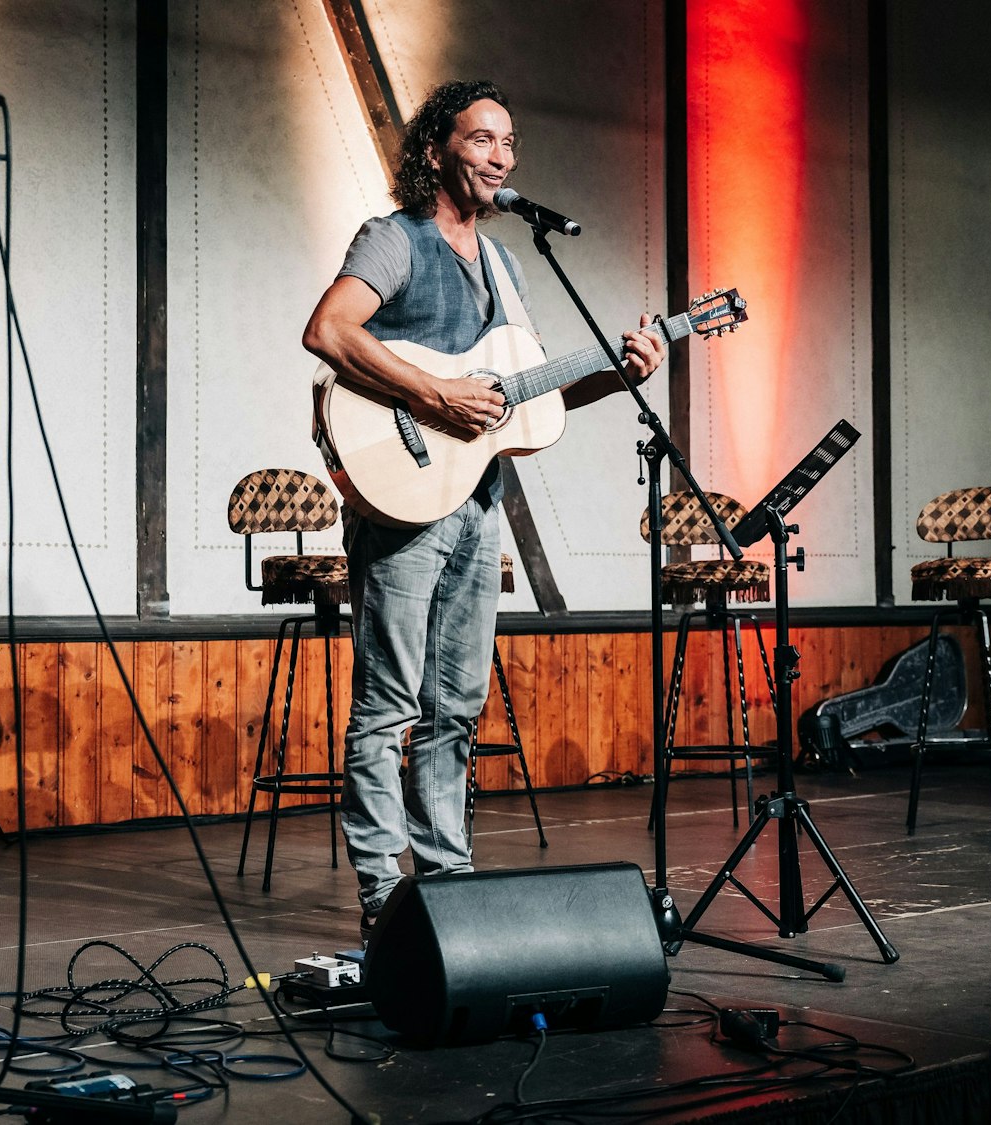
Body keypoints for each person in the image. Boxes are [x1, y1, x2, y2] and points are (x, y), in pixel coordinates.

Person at [301, 79, 667, 944]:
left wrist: (625, 371)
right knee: (389, 703)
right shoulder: (394, 240)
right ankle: (385, 897)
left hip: (476, 504)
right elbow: (329, 330)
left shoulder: (504, 265)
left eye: (510, 142)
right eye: (482, 138)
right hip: (402, 501)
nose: (502, 155)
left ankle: (448, 882)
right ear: (436, 151)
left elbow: (529, 399)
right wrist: (434, 391)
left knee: (455, 704)